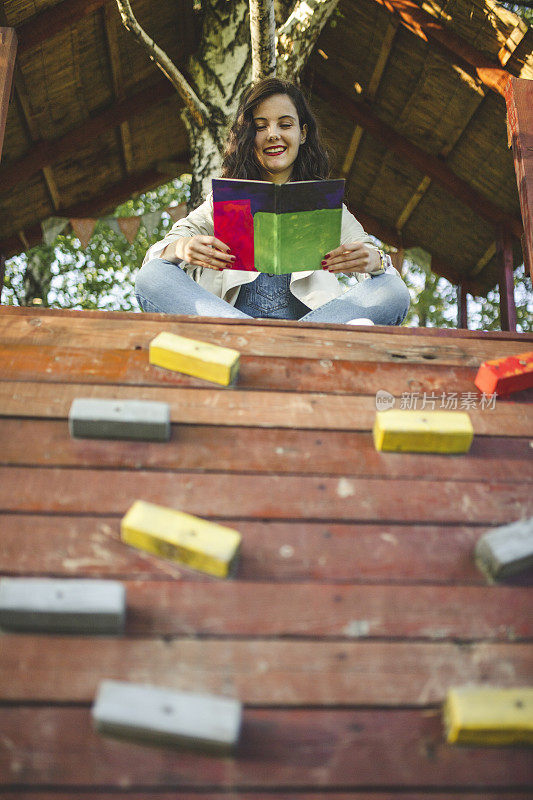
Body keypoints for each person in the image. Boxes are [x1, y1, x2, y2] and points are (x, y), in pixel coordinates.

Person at [136, 78, 410, 325]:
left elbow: (383, 279)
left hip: (308, 330)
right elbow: (154, 260)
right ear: (248, 137)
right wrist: (181, 249)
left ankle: (301, 339)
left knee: (394, 291)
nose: (273, 134)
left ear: (302, 134)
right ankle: (246, 334)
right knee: (151, 276)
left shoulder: (326, 207)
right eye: (260, 126)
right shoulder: (223, 203)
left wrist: (375, 262)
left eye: (285, 124)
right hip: (229, 327)